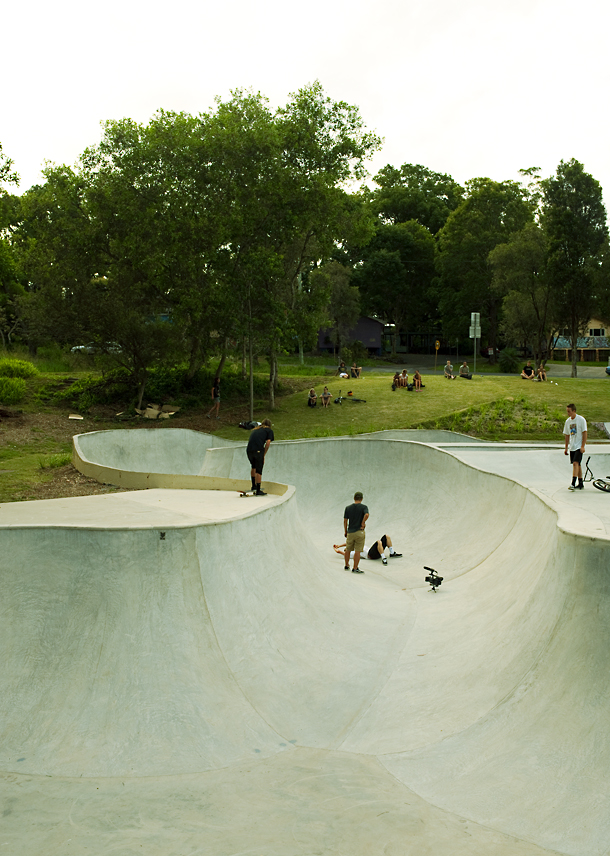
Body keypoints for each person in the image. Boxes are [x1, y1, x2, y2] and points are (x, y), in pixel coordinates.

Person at [334, 534, 402, 566]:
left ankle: (392, 553)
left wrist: (339, 545)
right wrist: (338, 551)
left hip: (376, 551)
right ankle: (383, 558)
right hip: (371, 555)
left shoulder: (357, 546)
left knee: (386, 536)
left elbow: (349, 543)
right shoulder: (353, 553)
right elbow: (345, 554)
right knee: (379, 541)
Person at [343, 491, 369, 573]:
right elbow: (367, 515)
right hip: (359, 532)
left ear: (354, 498)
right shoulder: (364, 507)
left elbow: (345, 520)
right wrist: (363, 522)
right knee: (357, 551)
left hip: (350, 531)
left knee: (348, 549)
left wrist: (345, 531)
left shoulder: (348, 508)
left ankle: (347, 565)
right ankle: (355, 568)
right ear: (361, 499)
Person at [246, 418, 274, 496]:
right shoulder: (269, 431)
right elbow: (268, 443)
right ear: (269, 425)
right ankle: (258, 490)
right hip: (258, 450)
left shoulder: (255, 429)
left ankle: (253, 486)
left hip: (249, 450)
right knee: (259, 469)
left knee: (253, 466)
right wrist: (263, 454)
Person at [563, 404, 587, 491]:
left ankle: (573, 483)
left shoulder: (581, 420)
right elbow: (567, 435)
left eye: (569, 411)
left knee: (575, 463)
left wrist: (583, 446)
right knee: (578, 464)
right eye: (567, 412)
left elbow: (584, 433)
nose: (568, 413)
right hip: (572, 446)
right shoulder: (568, 421)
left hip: (579, 446)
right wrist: (566, 448)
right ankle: (580, 483)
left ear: (574, 411)